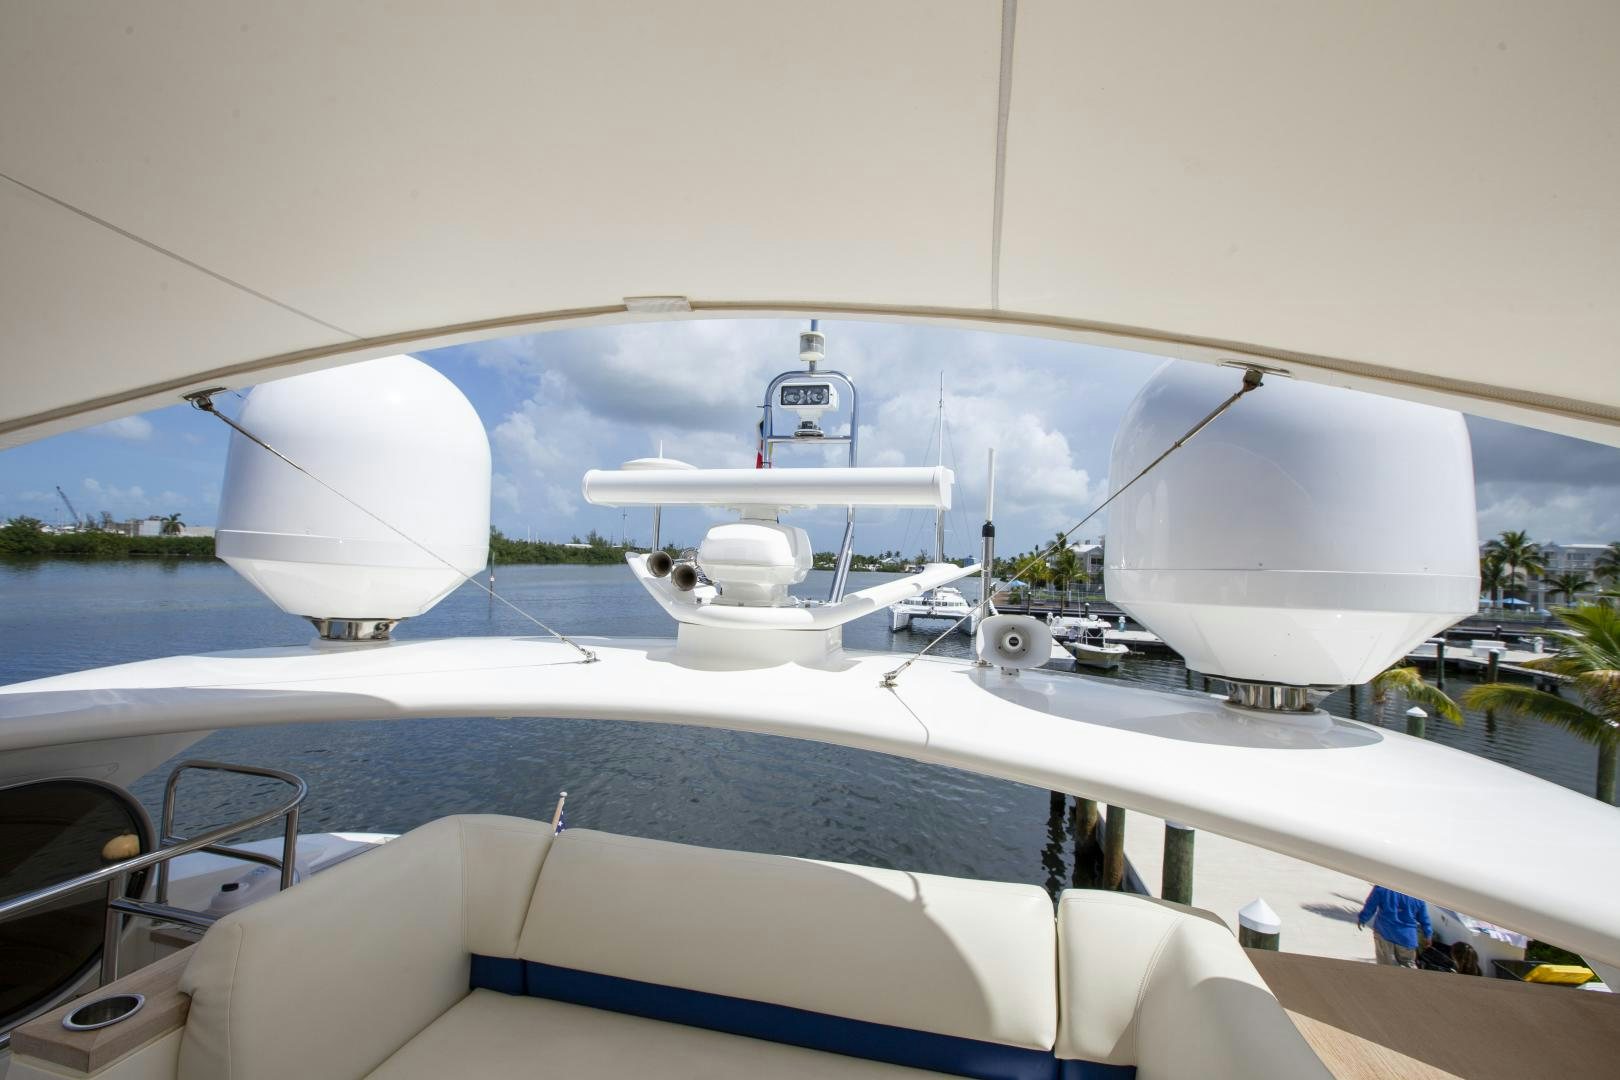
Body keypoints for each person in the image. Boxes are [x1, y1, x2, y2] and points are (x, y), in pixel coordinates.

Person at [1358, 885, 1432, 968]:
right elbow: (1424, 918)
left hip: (1384, 932)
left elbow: (1371, 905)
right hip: (1407, 937)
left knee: (1384, 967)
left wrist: (1363, 918)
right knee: (1408, 967)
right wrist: (1428, 934)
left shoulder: (1383, 887)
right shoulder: (1417, 894)